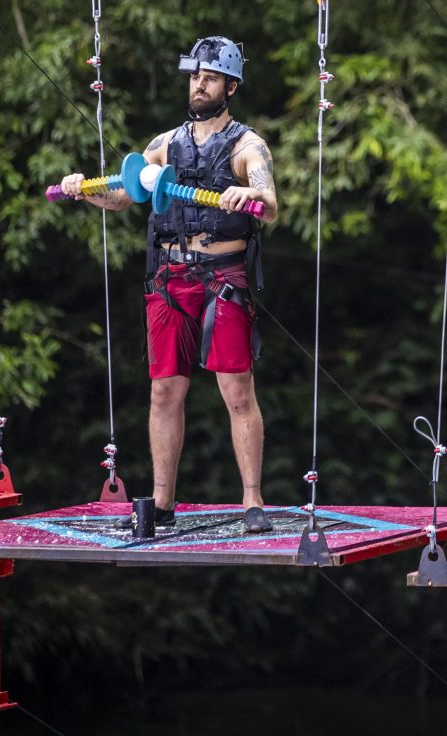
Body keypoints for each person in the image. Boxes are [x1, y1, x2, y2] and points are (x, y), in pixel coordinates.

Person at [59, 36, 279, 534]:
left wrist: (247, 194)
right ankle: (162, 502)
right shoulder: (163, 145)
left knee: (237, 390)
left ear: (231, 87)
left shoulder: (248, 146)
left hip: (223, 278)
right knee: (163, 392)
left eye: (210, 78)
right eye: (195, 76)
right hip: (169, 278)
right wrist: (84, 189)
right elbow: (123, 196)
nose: (199, 85)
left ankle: (252, 500)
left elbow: (269, 203)